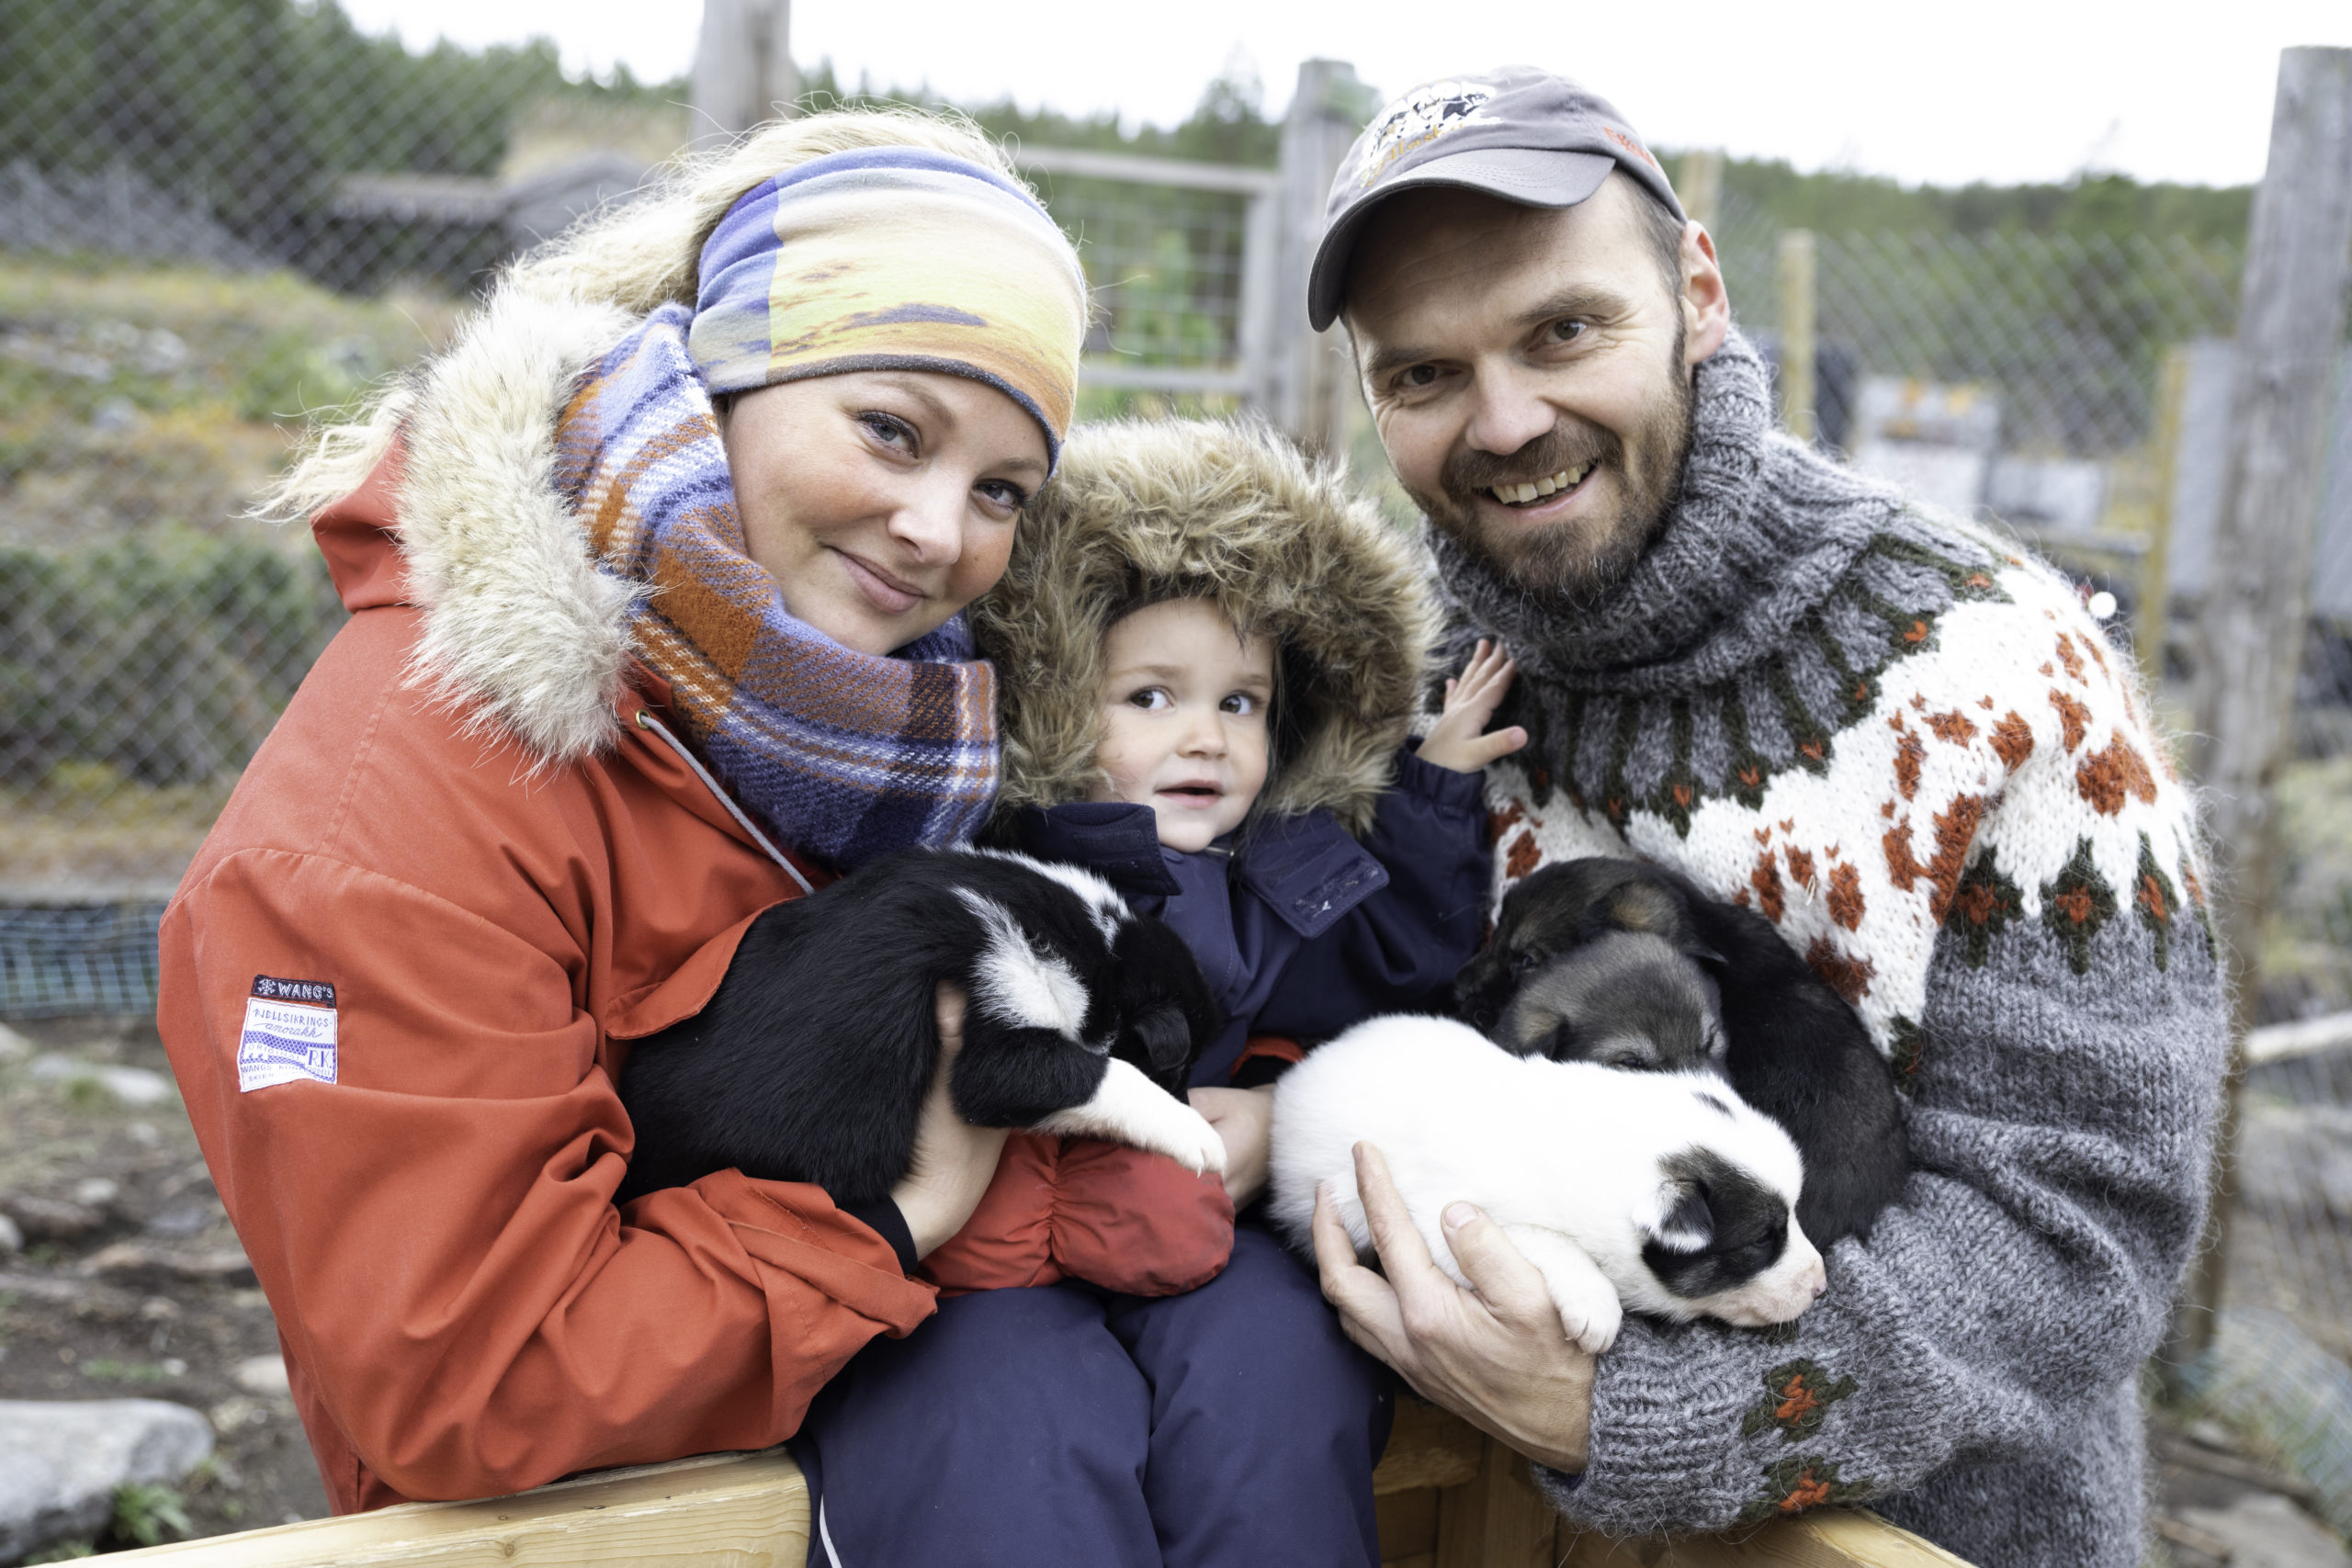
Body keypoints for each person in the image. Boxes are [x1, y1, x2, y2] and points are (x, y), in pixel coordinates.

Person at [1304, 68, 2229, 1568]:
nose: (1506, 419)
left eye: (1564, 330)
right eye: (1421, 374)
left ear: (1698, 293)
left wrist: (1636, 1407)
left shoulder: (2001, 677)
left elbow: (2079, 1230)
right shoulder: (1390, 702)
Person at [153, 108, 1098, 1510]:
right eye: (892, 429)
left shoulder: (865, 727)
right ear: (715, 378)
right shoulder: (398, 817)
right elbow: (478, 1374)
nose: (941, 531)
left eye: (1001, 488)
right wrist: (892, 1220)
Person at [795, 417, 1521, 1565]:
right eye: (1148, 697)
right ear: (1046, 703)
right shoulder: (993, 849)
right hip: (996, 1249)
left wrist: (1427, 795)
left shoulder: (1284, 870)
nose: (1205, 735)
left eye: (1240, 704)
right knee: (1005, 1427)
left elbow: (1392, 971)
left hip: (1203, 1228)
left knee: (1274, 1374)